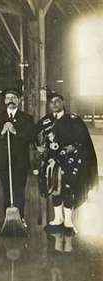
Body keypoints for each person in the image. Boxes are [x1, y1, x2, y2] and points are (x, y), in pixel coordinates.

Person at [35, 92, 98, 233]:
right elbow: (35, 135)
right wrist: (38, 147)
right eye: (51, 102)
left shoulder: (73, 120)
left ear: (63, 102)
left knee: (68, 189)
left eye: (57, 101)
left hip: (70, 161)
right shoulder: (45, 121)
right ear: (49, 105)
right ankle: (58, 218)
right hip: (52, 162)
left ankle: (68, 221)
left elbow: (82, 141)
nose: (54, 104)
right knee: (55, 188)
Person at [0, 88, 34, 227]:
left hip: (20, 161)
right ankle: (7, 217)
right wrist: (3, 131)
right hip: (4, 161)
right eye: (8, 98)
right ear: (4, 101)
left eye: (14, 97)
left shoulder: (26, 118)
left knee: (19, 189)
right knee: (7, 190)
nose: (11, 100)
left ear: (19, 100)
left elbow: (30, 137)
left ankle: (20, 217)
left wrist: (15, 131)